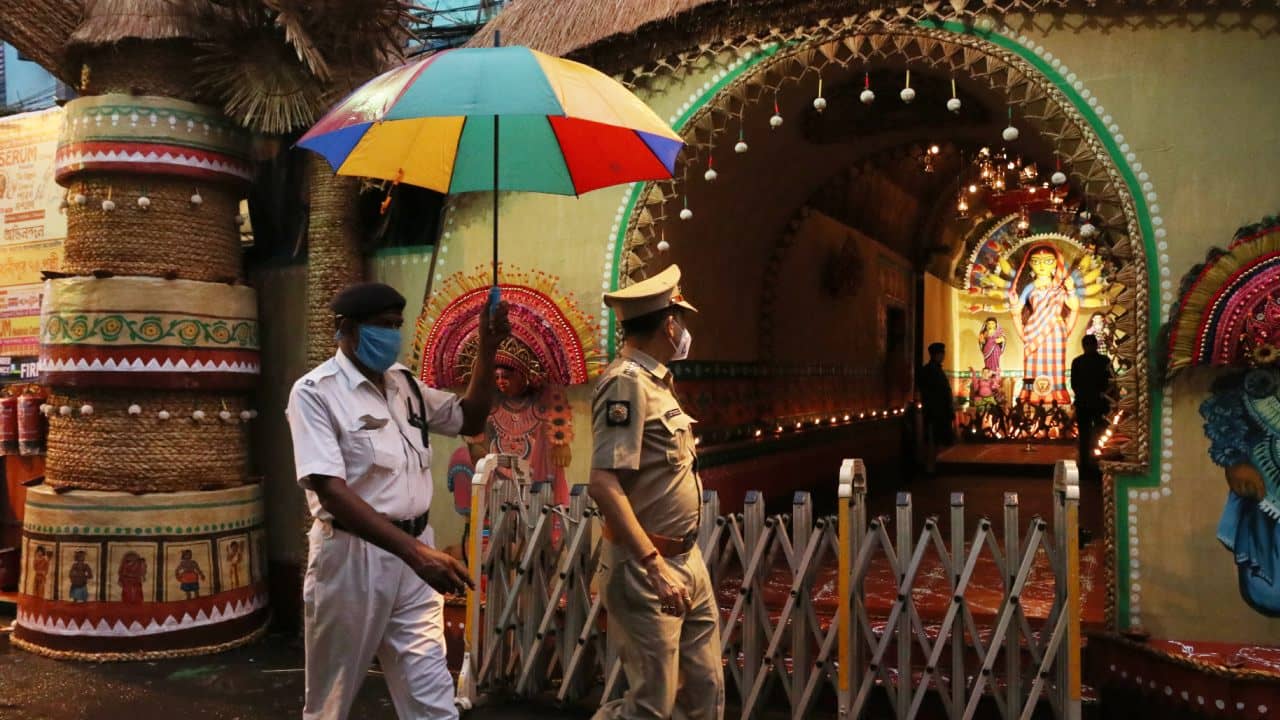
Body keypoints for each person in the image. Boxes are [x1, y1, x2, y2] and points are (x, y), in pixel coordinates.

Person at [286, 281, 508, 720]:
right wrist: (415, 554)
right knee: (332, 698)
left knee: (431, 694)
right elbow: (330, 489)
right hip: (353, 559)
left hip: (416, 553)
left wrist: (487, 347)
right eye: (382, 326)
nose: (392, 335)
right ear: (345, 329)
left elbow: (470, 417)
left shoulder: (404, 383)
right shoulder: (315, 393)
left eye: (397, 325)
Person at [589, 265, 723, 720]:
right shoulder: (625, 383)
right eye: (681, 320)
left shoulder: (657, 380)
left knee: (703, 692)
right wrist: (653, 566)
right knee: (651, 706)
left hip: (686, 559)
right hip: (649, 568)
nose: (684, 330)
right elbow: (604, 483)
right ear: (670, 324)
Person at [1010, 245, 1079, 404]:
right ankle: (1029, 394)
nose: (1042, 266)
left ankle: (1057, 395)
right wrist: (1013, 304)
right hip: (1034, 330)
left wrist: (1072, 290)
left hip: (1055, 332)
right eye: (1036, 261)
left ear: (1056, 263)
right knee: (1031, 366)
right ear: (1029, 264)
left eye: (1048, 261)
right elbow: (1017, 310)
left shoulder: (1061, 287)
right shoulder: (1029, 287)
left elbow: (1074, 307)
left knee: (1055, 366)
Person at [1070, 334, 1112, 480]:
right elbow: (1110, 381)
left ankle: (1085, 467)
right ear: (1096, 345)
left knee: (1085, 435)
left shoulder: (1077, 362)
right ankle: (1098, 464)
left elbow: (1074, 384)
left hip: (1083, 403)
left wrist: (1082, 395)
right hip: (1099, 403)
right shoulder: (1104, 361)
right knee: (1099, 435)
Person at [916, 342, 955, 475]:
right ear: (936, 355)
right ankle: (929, 467)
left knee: (935, 440)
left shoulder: (935, 370)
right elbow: (933, 392)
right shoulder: (930, 371)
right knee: (932, 440)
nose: (943, 356)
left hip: (937, 411)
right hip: (935, 411)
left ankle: (931, 466)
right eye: (941, 354)